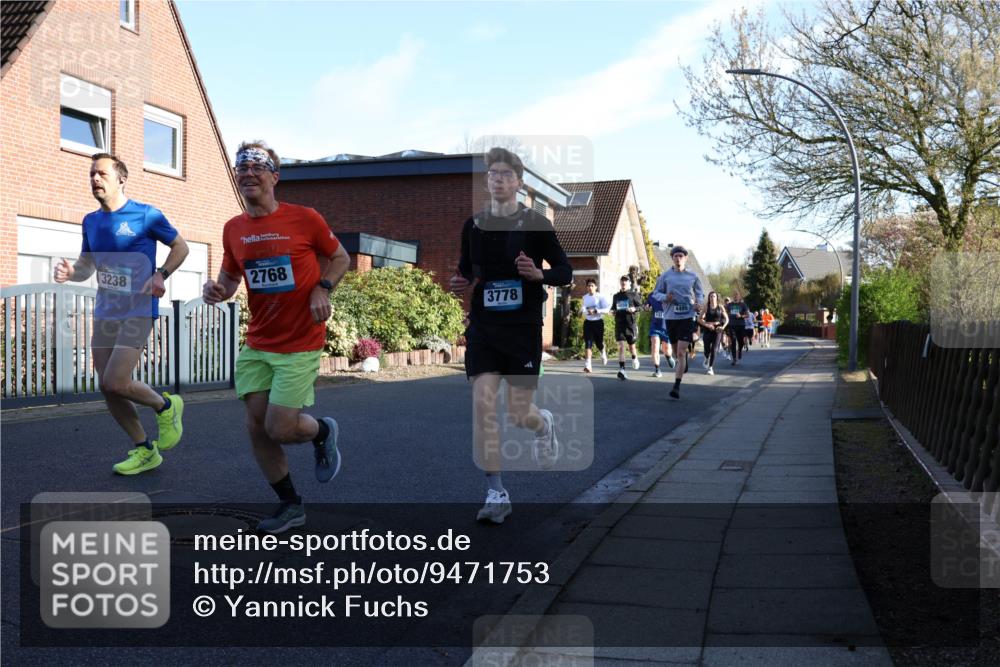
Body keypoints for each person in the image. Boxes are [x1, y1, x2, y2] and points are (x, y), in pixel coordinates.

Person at [203, 141, 351, 534]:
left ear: (274, 176)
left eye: (257, 167)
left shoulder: (305, 219)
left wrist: (322, 288)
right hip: (258, 342)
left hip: (300, 340)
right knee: (256, 427)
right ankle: (290, 505)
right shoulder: (233, 228)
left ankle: (322, 430)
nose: (248, 173)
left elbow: (341, 258)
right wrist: (216, 290)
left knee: (280, 427)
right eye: (242, 168)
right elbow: (231, 278)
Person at [450, 147, 572, 524]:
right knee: (484, 404)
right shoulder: (474, 225)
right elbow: (466, 270)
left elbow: (565, 271)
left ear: (519, 182)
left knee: (519, 414)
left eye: (505, 173)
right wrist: (461, 281)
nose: (497, 178)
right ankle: (496, 492)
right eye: (492, 173)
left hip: (522, 329)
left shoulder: (536, 223)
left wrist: (539, 275)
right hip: (485, 327)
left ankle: (543, 423)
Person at [54, 153, 189, 475]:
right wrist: (71, 271)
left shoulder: (146, 215)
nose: (95, 179)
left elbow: (181, 247)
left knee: (117, 379)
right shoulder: (91, 221)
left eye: (101, 174)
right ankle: (144, 449)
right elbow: (87, 266)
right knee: (106, 385)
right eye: (91, 175)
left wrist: (161, 275)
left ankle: (166, 405)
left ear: (120, 179)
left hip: (139, 309)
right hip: (106, 311)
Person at [650, 246, 704, 399]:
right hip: (671, 317)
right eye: (676, 256)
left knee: (680, 352)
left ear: (686, 258)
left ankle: (676, 386)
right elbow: (656, 293)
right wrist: (665, 297)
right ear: (672, 258)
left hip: (687, 317)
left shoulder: (693, 275)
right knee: (675, 351)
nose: (678, 258)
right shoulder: (665, 276)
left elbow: (700, 293)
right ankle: (683, 360)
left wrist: (699, 303)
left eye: (681, 256)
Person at [610, 275, 643, 380]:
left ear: (629, 283)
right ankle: (622, 370)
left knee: (631, 347)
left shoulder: (634, 295)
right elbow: (613, 308)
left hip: (630, 324)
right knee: (621, 346)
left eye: (626, 281)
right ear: (620, 283)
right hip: (619, 324)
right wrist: (612, 311)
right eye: (622, 281)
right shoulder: (616, 296)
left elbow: (641, 307)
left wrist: (634, 309)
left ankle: (634, 357)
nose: (624, 283)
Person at [580, 278, 610, 373]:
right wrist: (581, 311)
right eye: (588, 286)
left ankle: (603, 352)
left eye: (592, 286)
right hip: (588, 322)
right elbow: (584, 308)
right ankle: (588, 365)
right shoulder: (585, 297)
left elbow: (607, 309)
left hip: (598, 322)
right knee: (588, 343)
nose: (590, 287)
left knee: (598, 343)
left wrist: (596, 311)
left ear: (596, 287)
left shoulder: (600, 297)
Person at [645, 291, 676, 378]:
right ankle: (657, 369)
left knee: (667, 349)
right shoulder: (651, 295)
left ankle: (668, 356)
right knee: (655, 346)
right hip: (655, 325)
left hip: (667, 327)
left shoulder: (670, 294)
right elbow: (647, 305)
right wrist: (646, 307)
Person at [697, 291, 728, 376]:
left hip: (718, 329)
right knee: (706, 348)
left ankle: (710, 368)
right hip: (707, 329)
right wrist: (706, 325)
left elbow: (727, 319)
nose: (712, 298)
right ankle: (707, 357)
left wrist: (723, 327)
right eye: (711, 296)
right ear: (709, 298)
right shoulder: (706, 307)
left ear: (717, 298)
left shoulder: (720, 307)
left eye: (714, 296)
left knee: (714, 349)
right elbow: (699, 319)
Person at [726, 293, 750, 365]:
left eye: (737, 295)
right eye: (734, 295)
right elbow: (725, 313)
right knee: (733, 341)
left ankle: (739, 350)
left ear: (739, 297)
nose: (735, 297)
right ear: (733, 296)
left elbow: (748, 315)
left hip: (740, 325)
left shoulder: (743, 305)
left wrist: (741, 316)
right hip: (731, 325)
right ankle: (734, 359)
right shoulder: (729, 305)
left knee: (740, 342)